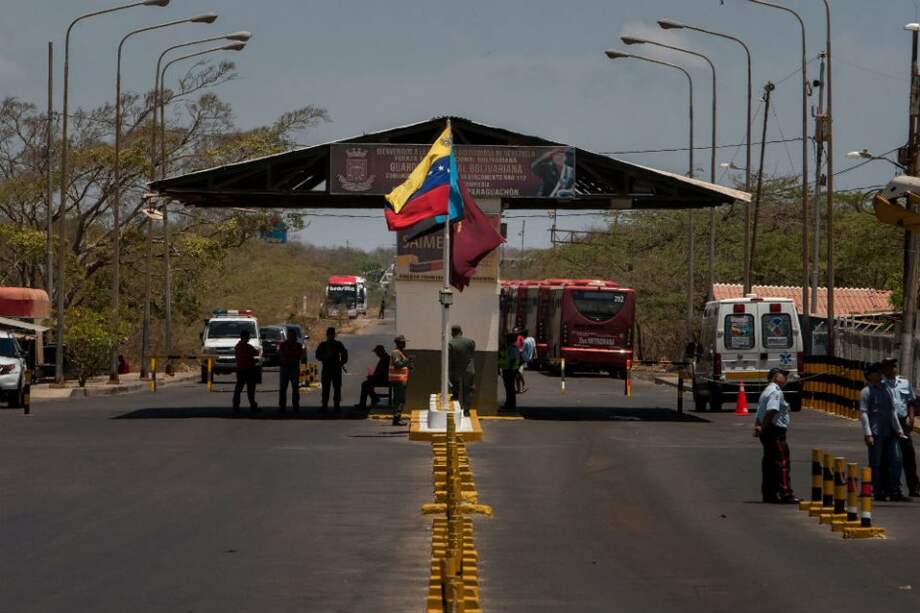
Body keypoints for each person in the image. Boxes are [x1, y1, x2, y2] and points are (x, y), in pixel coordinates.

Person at [860, 362, 909, 501]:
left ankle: (894, 490)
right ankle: (877, 489)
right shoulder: (866, 391)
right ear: (869, 375)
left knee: (896, 461)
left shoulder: (887, 390)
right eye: (876, 372)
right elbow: (863, 413)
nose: (879, 374)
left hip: (890, 431)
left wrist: (898, 430)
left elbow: (892, 411)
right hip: (875, 432)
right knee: (876, 463)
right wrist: (868, 433)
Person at [753, 367, 799, 504]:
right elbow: (771, 410)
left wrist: (758, 426)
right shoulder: (775, 392)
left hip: (768, 431)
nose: (785, 378)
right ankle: (786, 493)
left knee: (769, 463)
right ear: (774, 377)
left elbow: (759, 411)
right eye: (783, 376)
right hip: (775, 431)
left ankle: (769, 494)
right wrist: (764, 426)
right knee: (782, 462)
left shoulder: (766, 391)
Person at [881, 357, 920, 497]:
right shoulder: (880, 384)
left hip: (902, 421)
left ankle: (914, 487)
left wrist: (911, 417)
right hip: (886, 423)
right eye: (888, 367)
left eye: (893, 366)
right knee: (887, 456)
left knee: (908, 455)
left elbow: (911, 402)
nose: (891, 369)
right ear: (883, 369)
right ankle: (887, 487)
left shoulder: (904, 383)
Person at [315, 327, 348, 414]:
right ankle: (325, 405)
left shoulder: (338, 344)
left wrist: (342, 362)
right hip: (327, 368)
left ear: (333, 335)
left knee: (337, 388)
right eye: (329, 334)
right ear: (328, 335)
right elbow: (317, 355)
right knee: (326, 389)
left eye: (331, 334)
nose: (330, 336)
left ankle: (336, 405)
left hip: (335, 369)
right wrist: (325, 357)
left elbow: (345, 353)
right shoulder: (323, 345)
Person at [448, 325, 476, 414]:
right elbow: (472, 352)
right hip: (469, 369)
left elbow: (450, 358)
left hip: (456, 370)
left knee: (455, 389)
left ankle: (456, 407)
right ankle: (466, 410)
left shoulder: (451, 343)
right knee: (468, 390)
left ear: (452, 332)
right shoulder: (470, 342)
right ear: (461, 332)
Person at [232, 329, 260, 413]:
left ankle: (236, 405)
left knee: (239, 389)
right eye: (248, 337)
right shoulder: (247, 347)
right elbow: (256, 353)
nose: (249, 338)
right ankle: (252, 405)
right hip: (248, 370)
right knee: (250, 389)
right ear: (244, 337)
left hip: (240, 370)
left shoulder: (238, 346)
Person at [277, 328, 304, 413]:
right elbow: (282, 354)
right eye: (289, 335)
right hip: (286, 367)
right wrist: (292, 354)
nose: (291, 337)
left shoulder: (298, 345)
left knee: (295, 388)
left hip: (293, 368)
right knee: (283, 388)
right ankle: (282, 406)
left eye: (292, 335)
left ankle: (295, 405)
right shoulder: (283, 345)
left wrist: (288, 353)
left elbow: (299, 355)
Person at [356, 344, 390, 410]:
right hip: (383, 378)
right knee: (366, 383)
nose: (376, 354)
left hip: (384, 380)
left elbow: (383, 373)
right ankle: (374, 399)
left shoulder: (385, 359)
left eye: (377, 352)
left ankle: (368, 402)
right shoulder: (385, 358)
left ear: (380, 352)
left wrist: (373, 377)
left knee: (365, 384)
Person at [389, 335, 411, 426]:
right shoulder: (396, 353)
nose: (405, 343)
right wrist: (407, 361)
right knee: (399, 399)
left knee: (400, 399)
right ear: (399, 343)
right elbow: (398, 365)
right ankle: (397, 418)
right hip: (398, 380)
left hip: (401, 379)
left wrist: (408, 365)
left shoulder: (400, 352)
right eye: (403, 342)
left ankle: (397, 418)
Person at [499, 332, 521, 413]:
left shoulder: (512, 348)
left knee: (510, 388)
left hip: (510, 370)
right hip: (508, 369)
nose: (505, 340)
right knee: (509, 388)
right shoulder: (509, 347)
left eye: (506, 338)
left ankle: (510, 405)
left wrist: (510, 369)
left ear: (509, 339)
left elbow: (512, 359)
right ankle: (509, 404)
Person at [516, 329, 535, 393]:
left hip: (523, 358)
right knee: (518, 373)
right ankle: (520, 388)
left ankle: (522, 385)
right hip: (528, 358)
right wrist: (534, 356)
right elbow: (534, 348)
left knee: (518, 372)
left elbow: (521, 350)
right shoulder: (532, 339)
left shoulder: (524, 341)